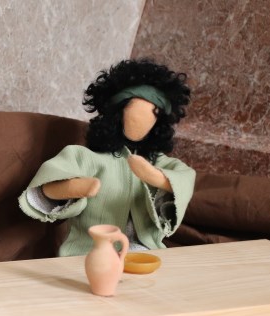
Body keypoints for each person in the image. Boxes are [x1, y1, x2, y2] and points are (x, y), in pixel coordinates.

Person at [19, 58, 196, 255]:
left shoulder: (158, 162)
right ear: (117, 113)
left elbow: (185, 177)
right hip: (89, 251)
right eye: (132, 108)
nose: (142, 121)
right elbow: (45, 187)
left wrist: (156, 178)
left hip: (145, 252)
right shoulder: (86, 157)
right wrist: (74, 187)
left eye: (154, 113)